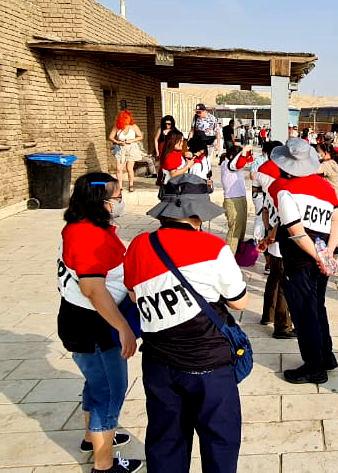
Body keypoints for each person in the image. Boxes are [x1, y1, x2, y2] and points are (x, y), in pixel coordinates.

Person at [123, 177, 248, 473]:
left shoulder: (140, 244)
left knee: (165, 440)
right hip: (209, 365)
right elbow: (239, 302)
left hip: (159, 362)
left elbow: (132, 293)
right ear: (197, 214)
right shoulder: (213, 247)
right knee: (220, 441)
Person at [58, 173, 143, 473]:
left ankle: (90, 437)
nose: (120, 201)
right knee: (110, 391)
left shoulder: (84, 227)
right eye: (117, 197)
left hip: (84, 321)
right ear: (100, 201)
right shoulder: (87, 236)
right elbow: (92, 289)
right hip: (95, 325)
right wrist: (123, 327)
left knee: (96, 383)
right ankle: (104, 465)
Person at [269, 139, 338, 383]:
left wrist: (318, 257)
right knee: (317, 306)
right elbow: (337, 220)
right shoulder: (324, 187)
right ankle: (326, 355)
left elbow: (296, 232)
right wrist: (328, 254)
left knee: (304, 312)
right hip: (321, 253)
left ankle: (314, 367)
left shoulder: (285, 190)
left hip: (300, 260)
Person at [253, 141, 294, 339]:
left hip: (273, 237)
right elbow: (288, 219)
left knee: (274, 278)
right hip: (283, 240)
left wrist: (268, 230)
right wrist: (273, 234)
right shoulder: (288, 190)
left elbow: (265, 211)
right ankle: (282, 326)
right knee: (285, 285)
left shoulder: (273, 187)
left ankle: (267, 315)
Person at [219, 146, 253, 250]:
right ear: (232, 156)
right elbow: (239, 163)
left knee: (242, 228)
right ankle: (229, 258)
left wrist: (249, 151)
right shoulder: (227, 164)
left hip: (241, 198)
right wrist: (242, 153)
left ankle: (238, 254)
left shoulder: (234, 163)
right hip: (232, 200)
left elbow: (248, 160)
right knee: (235, 230)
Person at [109, 110, 146, 193]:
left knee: (129, 168)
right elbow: (111, 137)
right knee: (119, 168)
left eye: (128, 119)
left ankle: (131, 184)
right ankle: (120, 186)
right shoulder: (117, 126)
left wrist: (132, 140)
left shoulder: (133, 126)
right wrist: (118, 142)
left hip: (131, 148)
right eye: (125, 119)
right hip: (121, 148)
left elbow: (140, 136)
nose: (127, 121)